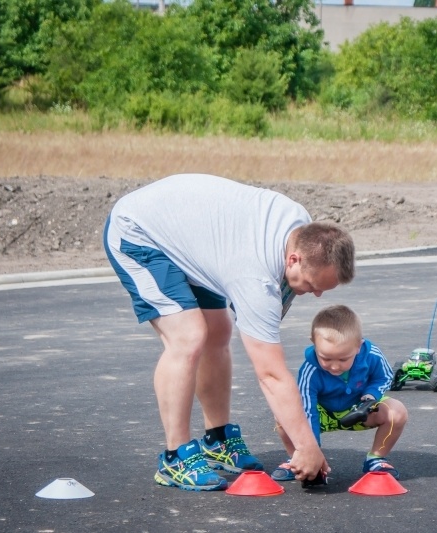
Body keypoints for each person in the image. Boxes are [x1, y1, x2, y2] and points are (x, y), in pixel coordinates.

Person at [103, 173, 355, 491]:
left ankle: (217, 439)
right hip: (139, 231)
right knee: (188, 336)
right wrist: (306, 447)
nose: (316, 294)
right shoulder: (255, 277)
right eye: (312, 284)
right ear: (293, 259)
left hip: (192, 235)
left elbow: (266, 339)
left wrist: (300, 442)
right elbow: (271, 374)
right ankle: (175, 459)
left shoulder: (301, 229)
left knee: (218, 330)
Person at [271, 304, 409, 481]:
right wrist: (312, 451)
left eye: (343, 359)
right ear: (314, 344)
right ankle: (297, 459)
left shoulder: (372, 354)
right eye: (326, 358)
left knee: (396, 411)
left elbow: (385, 377)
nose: (335, 366)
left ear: (359, 346)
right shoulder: (309, 370)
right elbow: (307, 409)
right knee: (283, 414)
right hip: (322, 415)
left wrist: (372, 394)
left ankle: (376, 458)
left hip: (358, 410)